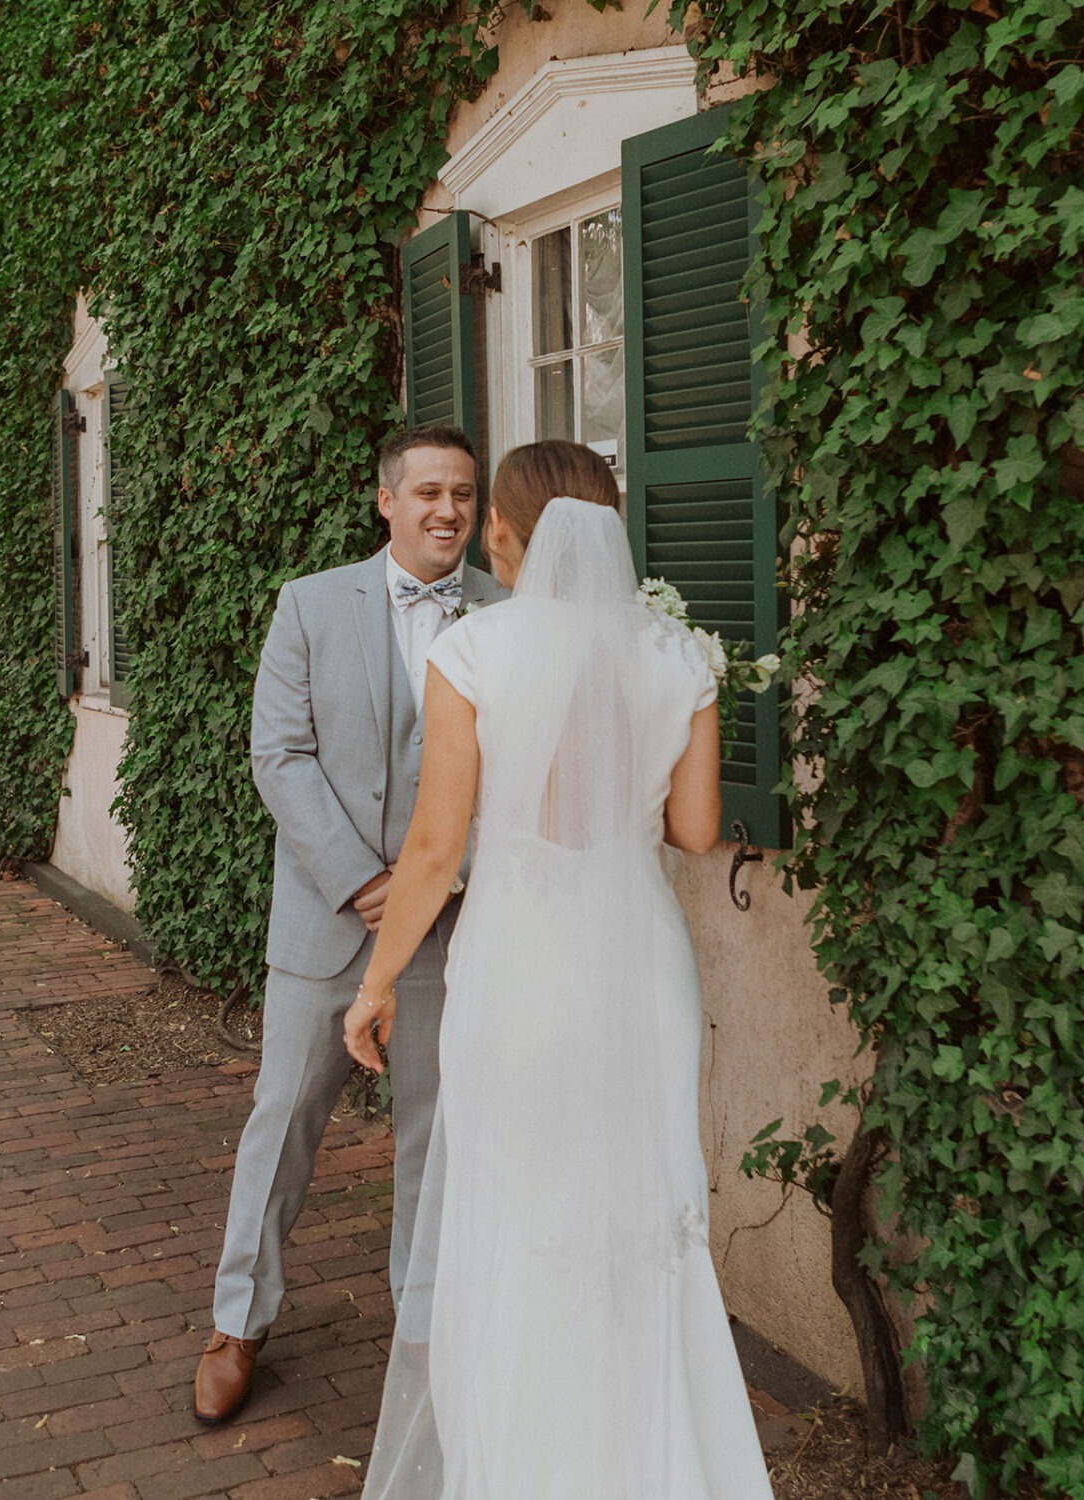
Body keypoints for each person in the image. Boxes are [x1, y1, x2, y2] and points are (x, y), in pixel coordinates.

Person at [344, 439, 775, 1498]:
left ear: (503, 530)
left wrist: (374, 982)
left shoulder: (473, 653)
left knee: (519, 1224)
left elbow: (437, 852)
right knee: (639, 1229)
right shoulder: (681, 656)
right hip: (640, 970)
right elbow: (695, 828)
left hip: (523, 970)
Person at [193, 425, 506, 1425]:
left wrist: (433, 880)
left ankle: (420, 1334)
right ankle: (238, 1322)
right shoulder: (309, 603)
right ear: (386, 501)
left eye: (461, 492)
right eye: (425, 492)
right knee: (281, 1119)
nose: (446, 510)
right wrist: (360, 878)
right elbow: (277, 753)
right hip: (328, 922)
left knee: (435, 1134)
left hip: (451, 929)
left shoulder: (507, 612)